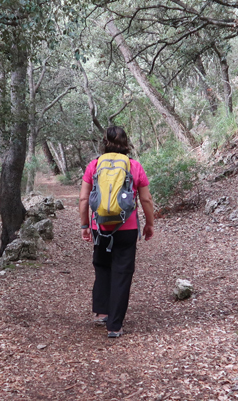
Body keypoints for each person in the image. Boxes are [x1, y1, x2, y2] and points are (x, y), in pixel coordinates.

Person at [79, 126, 155, 338]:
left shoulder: (94, 165)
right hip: (127, 228)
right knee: (122, 273)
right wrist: (150, 223)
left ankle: (102, 311)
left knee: (102, 265)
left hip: (100, 227)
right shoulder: (134, 166)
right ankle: (114, 325)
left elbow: (84, 199)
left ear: (105, 142)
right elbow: (146, 199)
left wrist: (85, 225)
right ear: (126, 143)